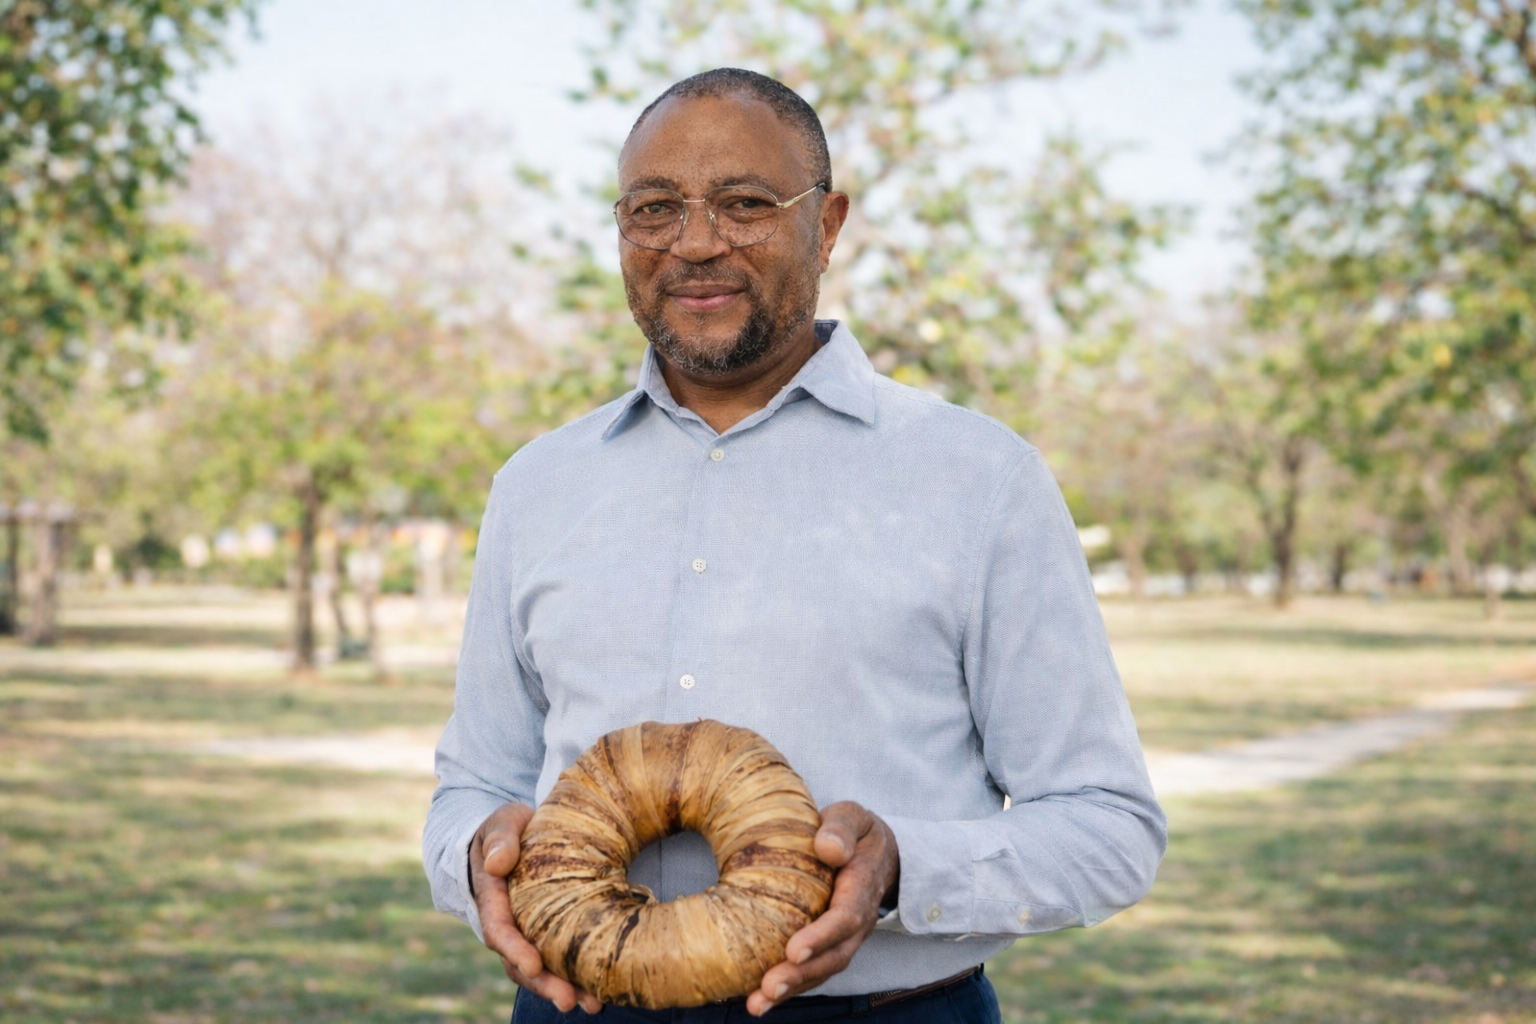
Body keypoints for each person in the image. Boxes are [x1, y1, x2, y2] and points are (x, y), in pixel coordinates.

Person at [423, 67, 1166, 1023]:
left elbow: (1108, 827)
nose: (695, 243)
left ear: (827, 224)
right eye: (655, 208)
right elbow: (473, 785)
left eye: (744, 203)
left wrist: (903, 867)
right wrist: (473, 859)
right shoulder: (537, 486)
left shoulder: (978, 479)